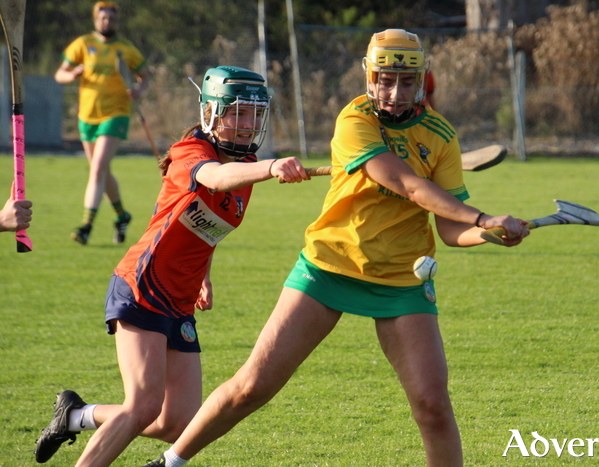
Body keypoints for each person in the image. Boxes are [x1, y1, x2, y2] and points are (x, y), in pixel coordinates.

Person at [139, 29, 529, 467]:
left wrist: (489, 232)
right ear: (369, 76)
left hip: (401, 281)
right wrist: (480, 216)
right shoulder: (355, 119)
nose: (394, 91)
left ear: (421, 80)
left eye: (404, 81)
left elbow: (449, 230)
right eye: (384, 79)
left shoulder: (439, 136)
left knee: (433, 406)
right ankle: (171, 461)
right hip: (329, 266)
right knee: (253, 386)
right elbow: (405, 183)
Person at [34, 66, 311, 467]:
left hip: (179, 301)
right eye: (239, 112)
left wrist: (205, 276)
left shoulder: (242, 162)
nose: (249, 124)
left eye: (255, 114)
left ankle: (75, 415)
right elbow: (215, 180)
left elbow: (208, 220)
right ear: (212, 114)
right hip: (142, 287)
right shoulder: (193, 154)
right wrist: (269, 167)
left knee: (176, 420)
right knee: (143, 404)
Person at [55, 1, 151, 246]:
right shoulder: (84, 44)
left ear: (116, 22)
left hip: (116, 114)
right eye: (102, 18)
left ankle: (86, 226)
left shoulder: (125, 49)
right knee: (101, 171)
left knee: (97, 168)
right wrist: (73, 74)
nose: (107, 22)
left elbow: (144, 75)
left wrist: (139, 90)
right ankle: (122, 216)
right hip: (87, 117)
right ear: (95, 20)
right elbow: (60, 74)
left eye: (111, 18)